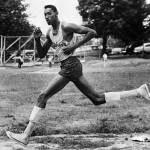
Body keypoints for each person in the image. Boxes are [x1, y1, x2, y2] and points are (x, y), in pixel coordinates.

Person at [6, 5, 150, 146]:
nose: (46, 17)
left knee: (42, 96)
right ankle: (138, 91)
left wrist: (74, 46)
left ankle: (25, 135)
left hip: (71, 65)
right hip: (67, 66)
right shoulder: (49, 32)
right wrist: (37, 39)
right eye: (45, 14)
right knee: (97, 99)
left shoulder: (66, 26)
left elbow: (92, 32)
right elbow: (42, 54)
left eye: (49, 13)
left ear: (56, 14)